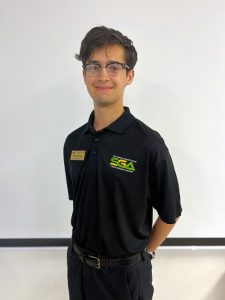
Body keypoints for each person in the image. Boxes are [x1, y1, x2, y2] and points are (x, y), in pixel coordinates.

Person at [63, 25, 182, 300]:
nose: (103, 75)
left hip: (126, 279)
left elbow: (170, 213)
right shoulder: (73, 143)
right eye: (94, 66)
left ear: (129, 75)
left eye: (114, 66)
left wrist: (144, 254)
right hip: (79, 271)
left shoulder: (148, 143)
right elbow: (80, 202)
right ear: (84, 75)